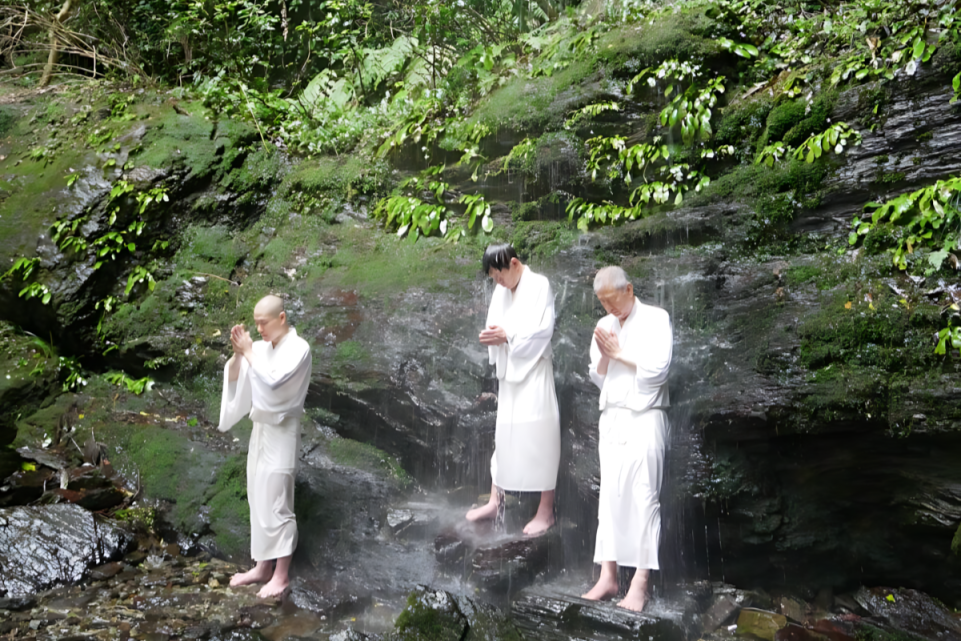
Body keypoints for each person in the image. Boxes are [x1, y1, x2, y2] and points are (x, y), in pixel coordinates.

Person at [581, 266, 672, 612]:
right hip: (613, 416)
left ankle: (641, 582)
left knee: (644, 495)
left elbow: (659, 369)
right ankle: (608, 575)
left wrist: (619, 354)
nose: (609, 309)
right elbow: (598, 376)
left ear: (629, 289)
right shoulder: (604, 325)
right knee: (610, 497)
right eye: (603, 303)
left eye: (613, 300)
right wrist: (606, 355)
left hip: (647, 414)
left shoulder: (656, 318)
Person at [217, 294, 312, 599]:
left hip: (283, 430)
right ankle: (261, 566)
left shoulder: (299, 349)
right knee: (258, 496)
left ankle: (281, 575)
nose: (259, 329)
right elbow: (236, 378)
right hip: (261, 431)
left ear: (281, 318)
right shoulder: (257, 348)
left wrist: (248, 352)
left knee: (277, 500)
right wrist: (237, 355)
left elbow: (273, 381)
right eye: (255, 323)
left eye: (264, 323)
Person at [466, 244, 561, 536]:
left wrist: (509, 336)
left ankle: (546, 511)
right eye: (493, 278)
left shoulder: (539, 285)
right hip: (510, 373)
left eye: (499, 275)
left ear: (515, 263)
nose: (498, 282)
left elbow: (544, 329)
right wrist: (494, 338)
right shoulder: (501, 291)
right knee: (504, 435)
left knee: (541, 435)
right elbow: (496, 325)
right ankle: (496, 500)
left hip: (534, 370)